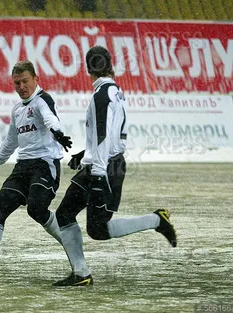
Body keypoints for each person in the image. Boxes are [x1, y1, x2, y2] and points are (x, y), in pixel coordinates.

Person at [53, 46, 177, 286]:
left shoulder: (102, 95)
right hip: (103, 162)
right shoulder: (114, 91)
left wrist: (98, 176)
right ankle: (81, 274)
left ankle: (156, 220)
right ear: (110, 64)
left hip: (105, 167)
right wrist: (85, 153)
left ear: (87, 68)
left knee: (98, 229)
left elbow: (102, 137)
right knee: (65, 214)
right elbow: (108, 134)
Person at [0, 60, 72, 277]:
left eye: (25, 81)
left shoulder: (42, 100)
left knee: (36, 209)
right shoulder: (17, 109)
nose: (21, 87)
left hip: (45, 165)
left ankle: (73, 246)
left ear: (36, 79)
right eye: (17, 83)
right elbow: (11, 141)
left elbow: (50, 118)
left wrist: (58, 133)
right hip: (22, 168)